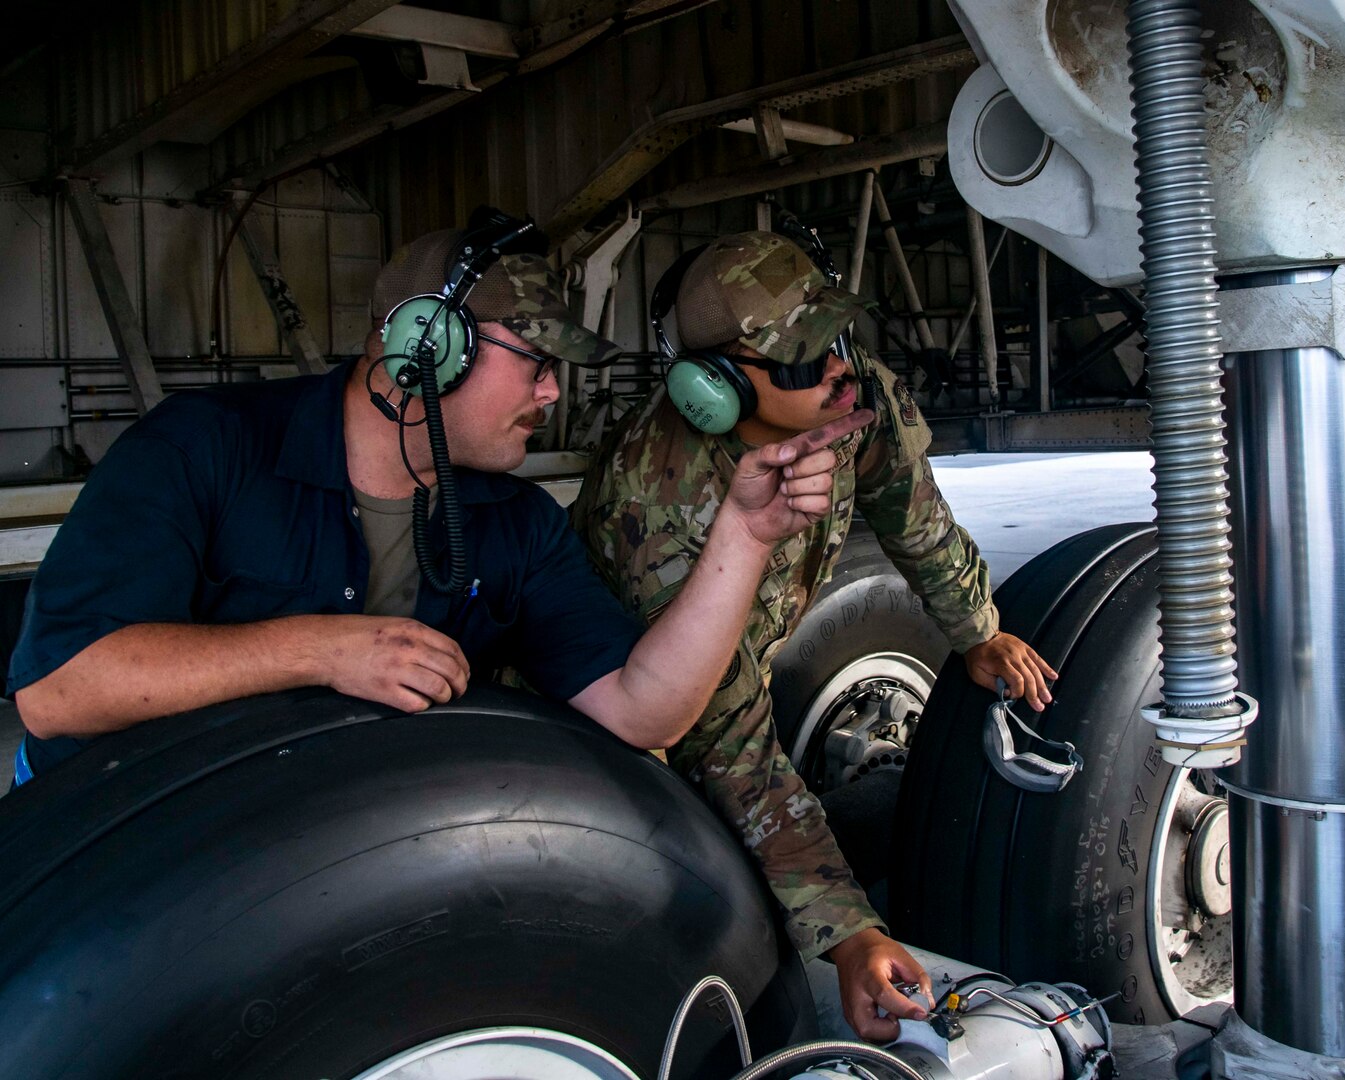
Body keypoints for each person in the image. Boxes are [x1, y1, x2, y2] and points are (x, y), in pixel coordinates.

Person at [7, 226, 868, 787]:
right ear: (429, 344)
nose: (551, 391)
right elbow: (58, 689)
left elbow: (644, 708)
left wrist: (747, 533)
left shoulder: (513, 523)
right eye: (532, 359)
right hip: (115, 846)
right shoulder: (201, 448)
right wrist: (318, 649)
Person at [571, 230, 1059, 1042]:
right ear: (716, 390)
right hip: (619, 711)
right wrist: (847, 932)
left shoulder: (849, 394)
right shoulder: (659, 514)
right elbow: (725, 744)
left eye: (835, 336)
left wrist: (976, 632)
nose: (838, 367)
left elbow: (916, 517)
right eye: (802, 359)